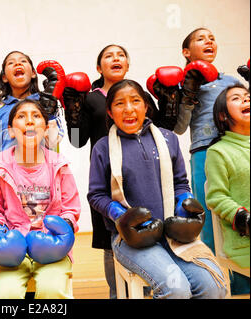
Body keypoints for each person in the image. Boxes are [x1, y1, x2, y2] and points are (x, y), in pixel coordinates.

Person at [87, 79, 227, 299]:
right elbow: (96, 195)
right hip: (130, 238)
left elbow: (181, 182)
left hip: (173, 233)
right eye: (120, 103)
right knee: (176, 290)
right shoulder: (103, 147)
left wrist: (184, 202)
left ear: (145, 106)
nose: (129, 109)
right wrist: (120, 214)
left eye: (135, 101)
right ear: (110, 112)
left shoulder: (168, 138)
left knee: (214, 287)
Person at [0, 99, 80, 299]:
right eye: (21, 117)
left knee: (52, 290)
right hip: (13, 248)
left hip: (52, 250)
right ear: (11, 131)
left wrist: (63, 228)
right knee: (6, 294)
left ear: (47, 129)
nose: (29, 121)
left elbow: (71, 208)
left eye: (36, 116)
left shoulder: (60, 165)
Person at [62, 44, 130, 299]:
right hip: (104, 175)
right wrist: (73, 112)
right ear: (98, 67)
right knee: (109, 237)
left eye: (121, 55)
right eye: (109, 56)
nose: (116, 58)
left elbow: (160, 128)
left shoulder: (137, 93)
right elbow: (77, 140)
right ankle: (117, 294)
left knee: (145, 229)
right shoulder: (91, 97)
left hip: (140, 171)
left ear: (127, 64)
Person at [172, 28, 242, 255]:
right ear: (186, 51)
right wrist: (188, 95)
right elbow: (179, 128)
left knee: (240, 207)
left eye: (212, 38)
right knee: (210, 213)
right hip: (203, 151)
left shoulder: (231, 81)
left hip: (235, 149)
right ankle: (217, 278)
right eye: (200, 39)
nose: (209, 41)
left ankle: (242, 279)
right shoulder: (181, 85)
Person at [0, 50, 66, 154]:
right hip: (5, 168)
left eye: (23, 61)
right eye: (11, 63)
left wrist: (49, 111)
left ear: (33, 73)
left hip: (40, 167)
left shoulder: (45, 102)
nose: (17, 63)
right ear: (4, 77)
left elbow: (52, 142)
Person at [205, 84, 250, 294]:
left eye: (248, 96)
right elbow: (216, 197)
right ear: (223, 115)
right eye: (236, 98)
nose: (246, 99)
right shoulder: (218, 152)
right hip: (245, 241)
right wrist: (242, 217)